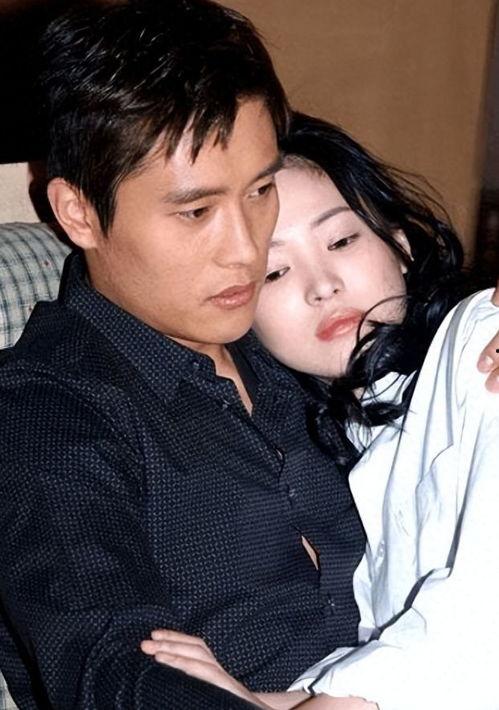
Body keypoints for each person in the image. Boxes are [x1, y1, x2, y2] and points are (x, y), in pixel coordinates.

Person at [0, 7, 366, 710]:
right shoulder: (43, 415)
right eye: (196, 212)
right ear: (78, 213)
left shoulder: (288, 333)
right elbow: (111, 670)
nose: (246, 250)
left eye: (260, 191)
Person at [140, 114, 499, 710]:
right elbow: (403, 668)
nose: (322, 285)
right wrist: (253, 701)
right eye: (275, 272)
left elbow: (480, 616)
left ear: (399, 246)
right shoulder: (351, 454)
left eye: (340, 241)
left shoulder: (478, 344)